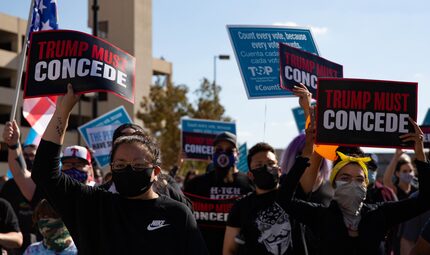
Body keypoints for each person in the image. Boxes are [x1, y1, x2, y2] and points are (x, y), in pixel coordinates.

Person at [31, 84, 208, 254]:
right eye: (121, 165)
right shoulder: (94, 205)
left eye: (138, 165)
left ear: (155, 172)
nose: (129, 170)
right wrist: (63, 111)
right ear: (112, 169)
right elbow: (45, 171)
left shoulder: (177, 214)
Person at [282, 117, 430, 255]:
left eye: (359, 179)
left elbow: (424, 201)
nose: (353, 184)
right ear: (334, 184)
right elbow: (283, 200)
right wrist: (306, 154)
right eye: (345, 178)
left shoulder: (380, 214)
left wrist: (420, 155)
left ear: (366, 185)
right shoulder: (321, 216)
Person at [224, 140, 313, 255]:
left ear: (279, 171)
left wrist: (311, 143)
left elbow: (312, 160)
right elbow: (229, 249)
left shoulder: (296, 192)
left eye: (271, 163)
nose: (266, 168)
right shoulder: (241, 206)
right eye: (259, 165)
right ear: (250, 175)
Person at [184, 131, 254, 255]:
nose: (223, 154)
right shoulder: (196, 184)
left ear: (237, 154)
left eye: (229, 150)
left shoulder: (250, 184)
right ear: (212, 153)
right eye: (218, 150)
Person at [100, 123, 192, 209]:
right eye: (123, 138)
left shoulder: (164, 182)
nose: (130, 145)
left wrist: (163, 184)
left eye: (137, 138)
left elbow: (187, 208)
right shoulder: (100, 195)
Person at [2, 122, 44, 254]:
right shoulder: (9, 186)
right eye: (25, 156)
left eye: (32, 156)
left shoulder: (45, 186)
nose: (28, 159)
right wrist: (13, 144)